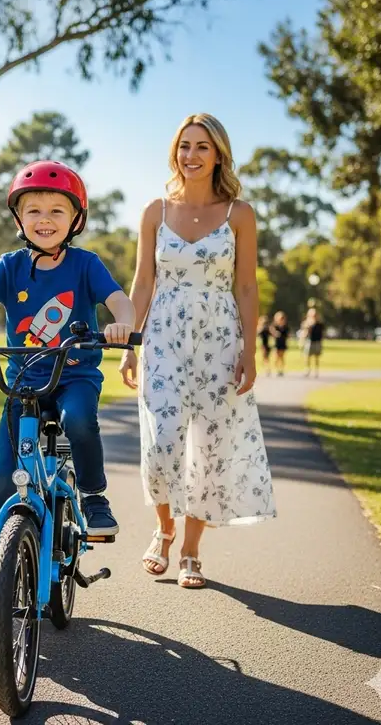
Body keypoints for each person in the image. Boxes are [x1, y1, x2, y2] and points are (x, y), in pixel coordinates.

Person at [0, 160, 136, 618]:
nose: (45, 219)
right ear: (19, 219)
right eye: (34, 209)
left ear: (76, 220)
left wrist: (124, 323)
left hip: (74, 374)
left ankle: (94, 498)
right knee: (1, 475)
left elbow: (118, 298)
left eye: (57, 211)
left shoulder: (86, 265)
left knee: (79, 419)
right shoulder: (10, 267)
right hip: (23, 381)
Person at [121, 113, 276, 589]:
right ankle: (164, 529)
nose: (191, 155)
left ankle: (190, 550)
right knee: (162, 438)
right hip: (164, 335)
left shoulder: (239, 214)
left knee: (208, 447)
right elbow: (144, 281)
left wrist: (250, 350)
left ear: (218, 154)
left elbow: (246, 286)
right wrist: (131, 343)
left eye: (202, 147)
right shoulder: (155, 210)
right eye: (184, 146)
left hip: (219, 338)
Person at [302, 307, 324, 378]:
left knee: (316, 357)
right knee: (307, 356)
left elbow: (322, 333)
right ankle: (307, 369)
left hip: (317, 341)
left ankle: (316, 370)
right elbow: (305, 332)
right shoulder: (307, 323)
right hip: (309, 341)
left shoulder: (319, 323)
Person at [271, 311, 289, 377]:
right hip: (277, 344)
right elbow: (272, 332)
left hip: (283, 344)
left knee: (282, 357)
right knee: (276, 357)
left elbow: (287, 335)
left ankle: (281, 370)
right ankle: (277, 370)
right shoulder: (275, 326)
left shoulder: (286, 327)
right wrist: (275, 333)